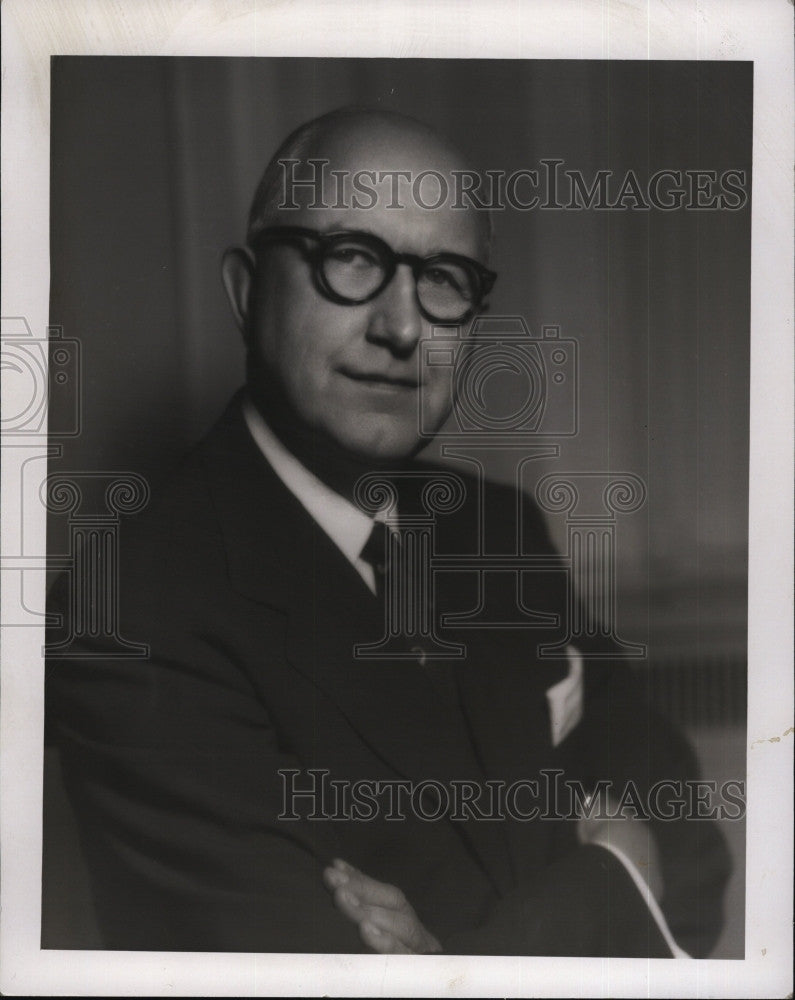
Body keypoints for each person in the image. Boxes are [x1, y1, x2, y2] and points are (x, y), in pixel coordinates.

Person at [45, 107, 730, 956]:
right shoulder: (135, 609)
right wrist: (606, 883)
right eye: (354, 259)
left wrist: (450, 961)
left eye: (442, 278)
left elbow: (692, 859)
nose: (402, 328)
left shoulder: (496, 531)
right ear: (247, 292)